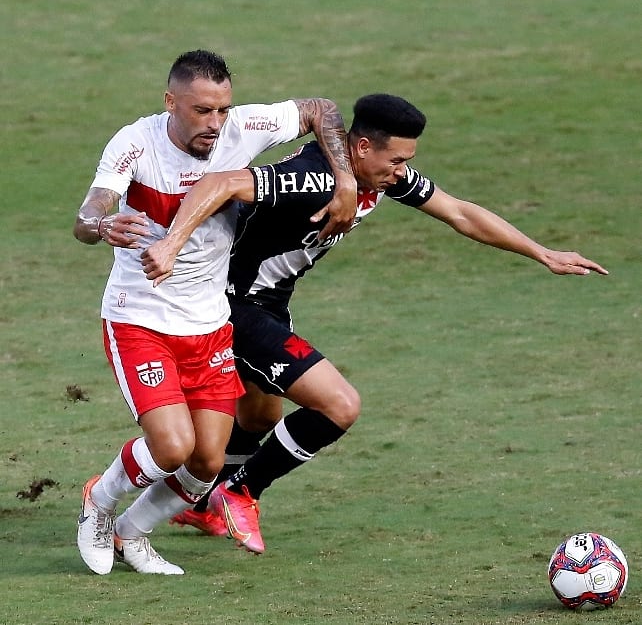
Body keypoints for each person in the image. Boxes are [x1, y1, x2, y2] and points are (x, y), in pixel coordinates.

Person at [141, 93, 608, 555]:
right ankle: (239, 491)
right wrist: (172, 243)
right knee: (339, 405)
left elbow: (459, 212)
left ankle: (201, 503)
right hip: (230, 307)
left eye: (407, 161)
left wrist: (543, 253)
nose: (402, 171)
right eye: (397, 160)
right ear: (362, 147)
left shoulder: (378, 177)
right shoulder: (309, 179)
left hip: (269, 304)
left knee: (261, 416)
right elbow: (223, 183)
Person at [73, 49, 357, 575]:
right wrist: (101, 225)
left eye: (222, 109)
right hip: (141, 317)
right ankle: (101, 501)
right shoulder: (136, 142)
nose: (215, 122)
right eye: (202, 110)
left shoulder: (244, 127)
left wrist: (345, 180)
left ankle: (132, 533)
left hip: (209, 323)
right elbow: (89, 212)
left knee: (207, 462)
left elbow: (322, 109)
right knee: (172, 447)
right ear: (170, 102)